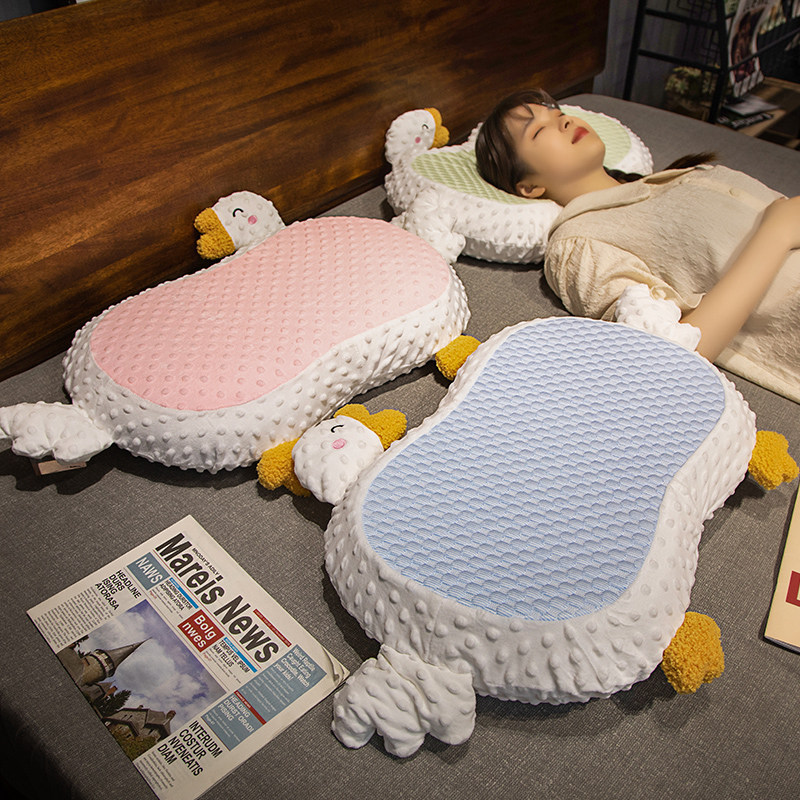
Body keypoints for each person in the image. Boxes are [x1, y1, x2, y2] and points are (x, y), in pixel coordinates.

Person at [474, 89, 800, 403]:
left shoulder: (679, 176)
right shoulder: (579, 245)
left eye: (557, 113)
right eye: (538, 130)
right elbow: (666, 360)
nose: (565, 120)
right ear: (529, 187)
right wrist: (776, 235)